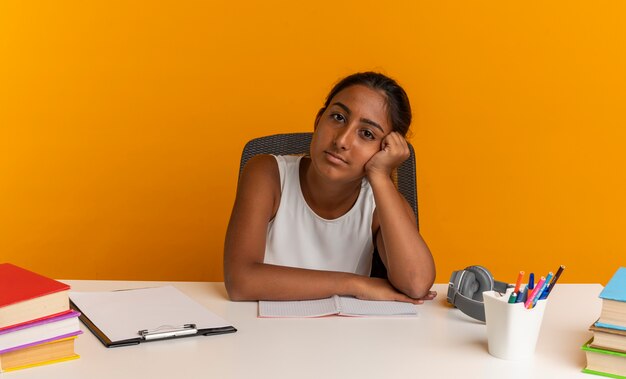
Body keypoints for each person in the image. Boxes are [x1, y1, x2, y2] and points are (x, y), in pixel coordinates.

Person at [224, 72, 436, 304]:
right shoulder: (268, 174)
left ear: (385, 149)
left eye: (367, 134)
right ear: (318, 120)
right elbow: (240, 282)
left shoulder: (379, 204)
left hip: (343, 336)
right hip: (260, 331)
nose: (342, 140)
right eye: (338, 117)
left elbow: (416, 283)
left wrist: (380, 176)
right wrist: (353, 284)